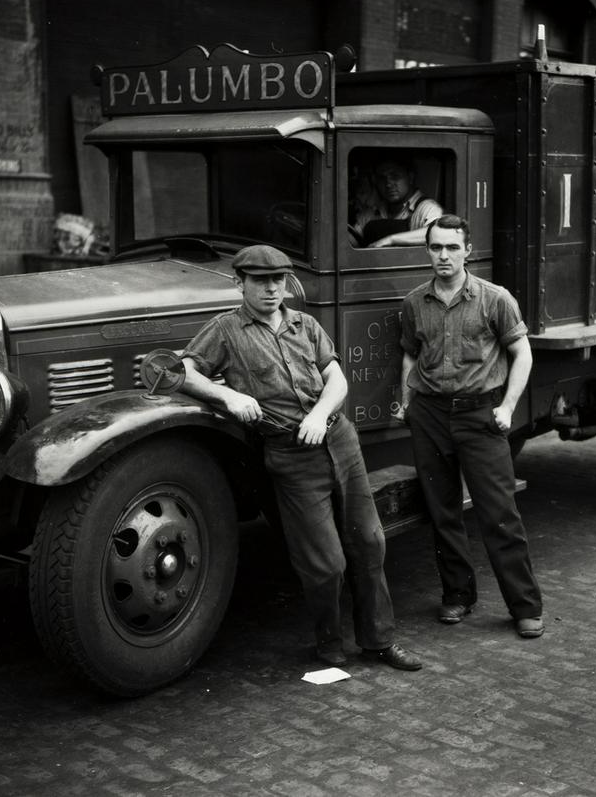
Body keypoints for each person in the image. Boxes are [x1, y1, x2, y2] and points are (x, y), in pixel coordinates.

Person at [178, 244, 422, 671]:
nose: (271, 289)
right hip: (291, 456)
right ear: (239, 283)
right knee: (325, 564)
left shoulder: (305, 324)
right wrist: (227, 395)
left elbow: (337, 380)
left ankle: (379, 642)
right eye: (260, 281)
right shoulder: (226, 330)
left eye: (278, 280)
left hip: (340, 441)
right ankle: (329, 644)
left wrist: (319, 414)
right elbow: (181, 371)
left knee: (370, 544)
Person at [395, 214, 544, 639]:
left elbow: (523, 353)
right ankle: (458, 595)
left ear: (468, 252)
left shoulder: (495, 299)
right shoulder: (414, 303)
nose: (443, 255)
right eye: (436, 247)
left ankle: (525, 607)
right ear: (427, 251)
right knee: (442, 514)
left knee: (499, 515)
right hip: (430, 416)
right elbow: (410, 355)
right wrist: (406, 403)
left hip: (481, 415)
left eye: (452, 247)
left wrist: (508, 407)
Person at [350, 155, 443, 248]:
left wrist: (391, 240)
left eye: (395, 176)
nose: (388, 184)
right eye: (382, 178)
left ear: (410, 177)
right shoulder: (371, 213)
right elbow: (351, 242)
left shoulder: (427, 208)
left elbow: (438, 234)